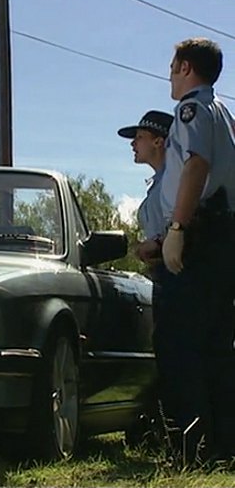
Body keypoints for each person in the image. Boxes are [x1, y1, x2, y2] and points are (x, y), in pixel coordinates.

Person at [156, 38, 235, 463]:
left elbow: (196, 165)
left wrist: (177, 227)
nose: (169, 74)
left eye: (172, 66)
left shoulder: (190, 110)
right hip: (222, 236)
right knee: (218, 346)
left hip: (200, 235)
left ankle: (188, 448)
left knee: (181, 343)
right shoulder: (223, 112)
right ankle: (222, 446)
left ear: (186, 67)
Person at [117, 110, 174, 273]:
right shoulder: (160, 182)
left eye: (140, 137)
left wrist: (158, 244)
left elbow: (192, 219)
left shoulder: (176, 180)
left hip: (184, 272)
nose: (133, 143)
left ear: (158, 142)